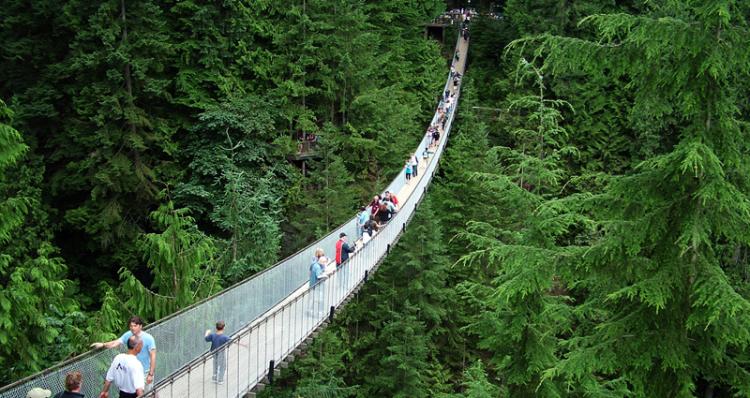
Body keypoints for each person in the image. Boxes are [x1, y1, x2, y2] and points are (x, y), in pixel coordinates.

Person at [91, 316, 156, 391]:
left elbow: (153, 356)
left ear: (140, 326)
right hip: (132, 372)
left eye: (135, 326)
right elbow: (115, 343)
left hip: (145, 372)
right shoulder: (128, 335)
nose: (132, 328)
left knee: (147, 394)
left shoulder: (149, 338)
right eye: (131, 326)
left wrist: (151, 374)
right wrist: (103, 345)